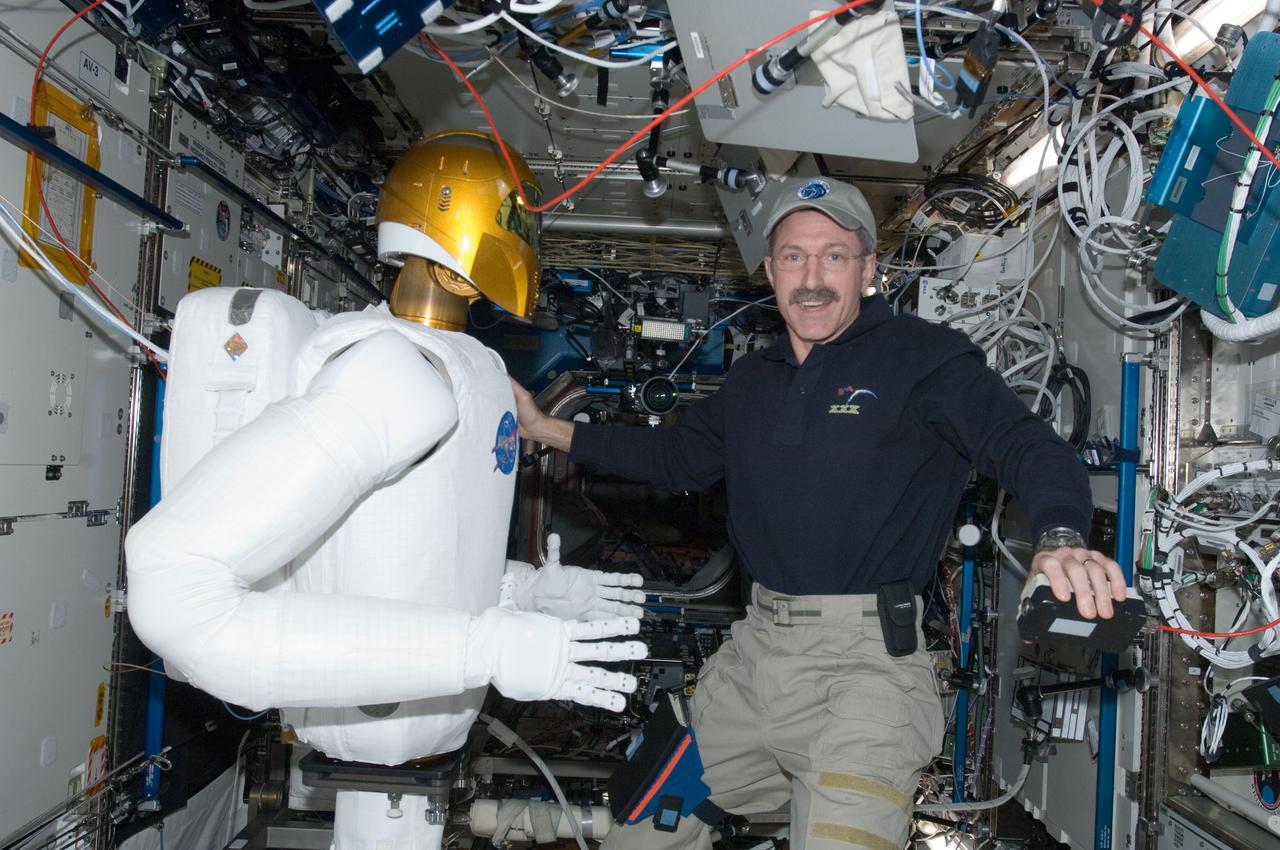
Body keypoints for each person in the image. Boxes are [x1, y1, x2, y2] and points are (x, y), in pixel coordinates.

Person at [510, 178, 1127, 850]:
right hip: (751, 665)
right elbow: (677, 458)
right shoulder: (752, 380)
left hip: (864, 676)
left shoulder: (926, 360)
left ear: (868, 270)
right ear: (770, 272)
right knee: (636, 835)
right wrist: (546, 428)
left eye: (834, 256)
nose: (812, 279)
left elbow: (1023, 442)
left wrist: (1061, 535)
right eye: (794, 258)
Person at [125, 131, 648, 850]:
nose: (527, 245)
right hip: (379, 732)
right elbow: (171, 578)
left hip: (419, 741)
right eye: (517, 224)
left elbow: (403, 550)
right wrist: (481, 649)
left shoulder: (468, 369)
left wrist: (519, 593)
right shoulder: (398, 376)